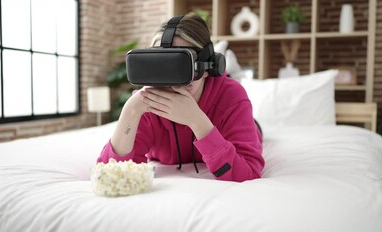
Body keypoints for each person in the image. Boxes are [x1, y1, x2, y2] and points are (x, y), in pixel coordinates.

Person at [97, 14, 264, 182]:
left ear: (207, 68)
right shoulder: (147, 103)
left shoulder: (232, 96)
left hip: (236, 124)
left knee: (255, 130)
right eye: (163, 64)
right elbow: (111, 175)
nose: (172, 81)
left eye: (181, 64)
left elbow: (247, 173)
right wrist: (131, 110)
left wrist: (197, 121)